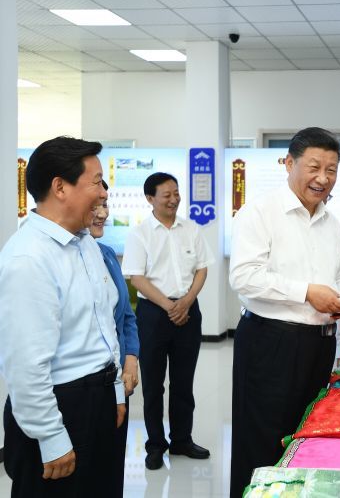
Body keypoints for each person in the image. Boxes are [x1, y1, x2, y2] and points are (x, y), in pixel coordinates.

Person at [228, 127, 340, 498]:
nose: (323, 178)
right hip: (271, 344)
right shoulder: (260, 212)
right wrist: (306, 292)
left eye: (331, 170)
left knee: (306, 437)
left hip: (318, 347)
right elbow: (243, 277)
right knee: (262, 442)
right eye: (314, 167)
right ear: (289, 163)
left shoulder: (331, 223)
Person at [0, 136, 126, 497]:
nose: (104, 193)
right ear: (60, 187)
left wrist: (116, 390)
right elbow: (25, 365)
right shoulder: (29, 259)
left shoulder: (84, 243)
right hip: (61, 407)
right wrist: (51, 436)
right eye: (96, 182)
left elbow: (104, 324)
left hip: (100, 399)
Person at [122, 172, 214, 471]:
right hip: (153, 314)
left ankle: (182, 440)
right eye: (167, 195)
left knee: (183, 382)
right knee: (153, 385)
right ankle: (155, 445)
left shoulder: (192, 229)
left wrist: (186, 302)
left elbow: (202, 269)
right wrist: (169, 305)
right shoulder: (140, 234)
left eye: (176, 193)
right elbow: (136, 277)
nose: (174, 199)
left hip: (188, 310)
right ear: (150, 198)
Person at [91, 191, 140, 496]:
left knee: (110, 474)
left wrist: (131, 359)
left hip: (118, 382)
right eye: (95, 205)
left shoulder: (107, 254)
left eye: (105, 204)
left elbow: (127, 317)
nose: (103, 213)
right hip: (86, 389)